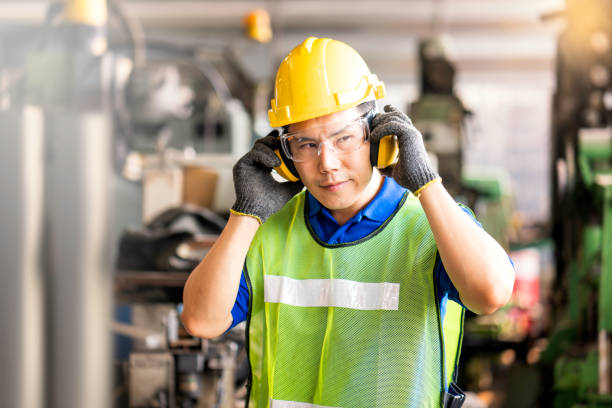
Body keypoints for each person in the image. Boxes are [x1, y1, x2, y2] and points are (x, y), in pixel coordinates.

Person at [182, 37, 515, 408]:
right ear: (285, 155)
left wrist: (427, 183)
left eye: (344, 138)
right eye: (306, 145)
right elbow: (201, 321)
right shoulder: (266, 233)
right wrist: (245, 215)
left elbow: (490, 294)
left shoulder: (431, 226)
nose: (327, 163)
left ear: (377, 137)